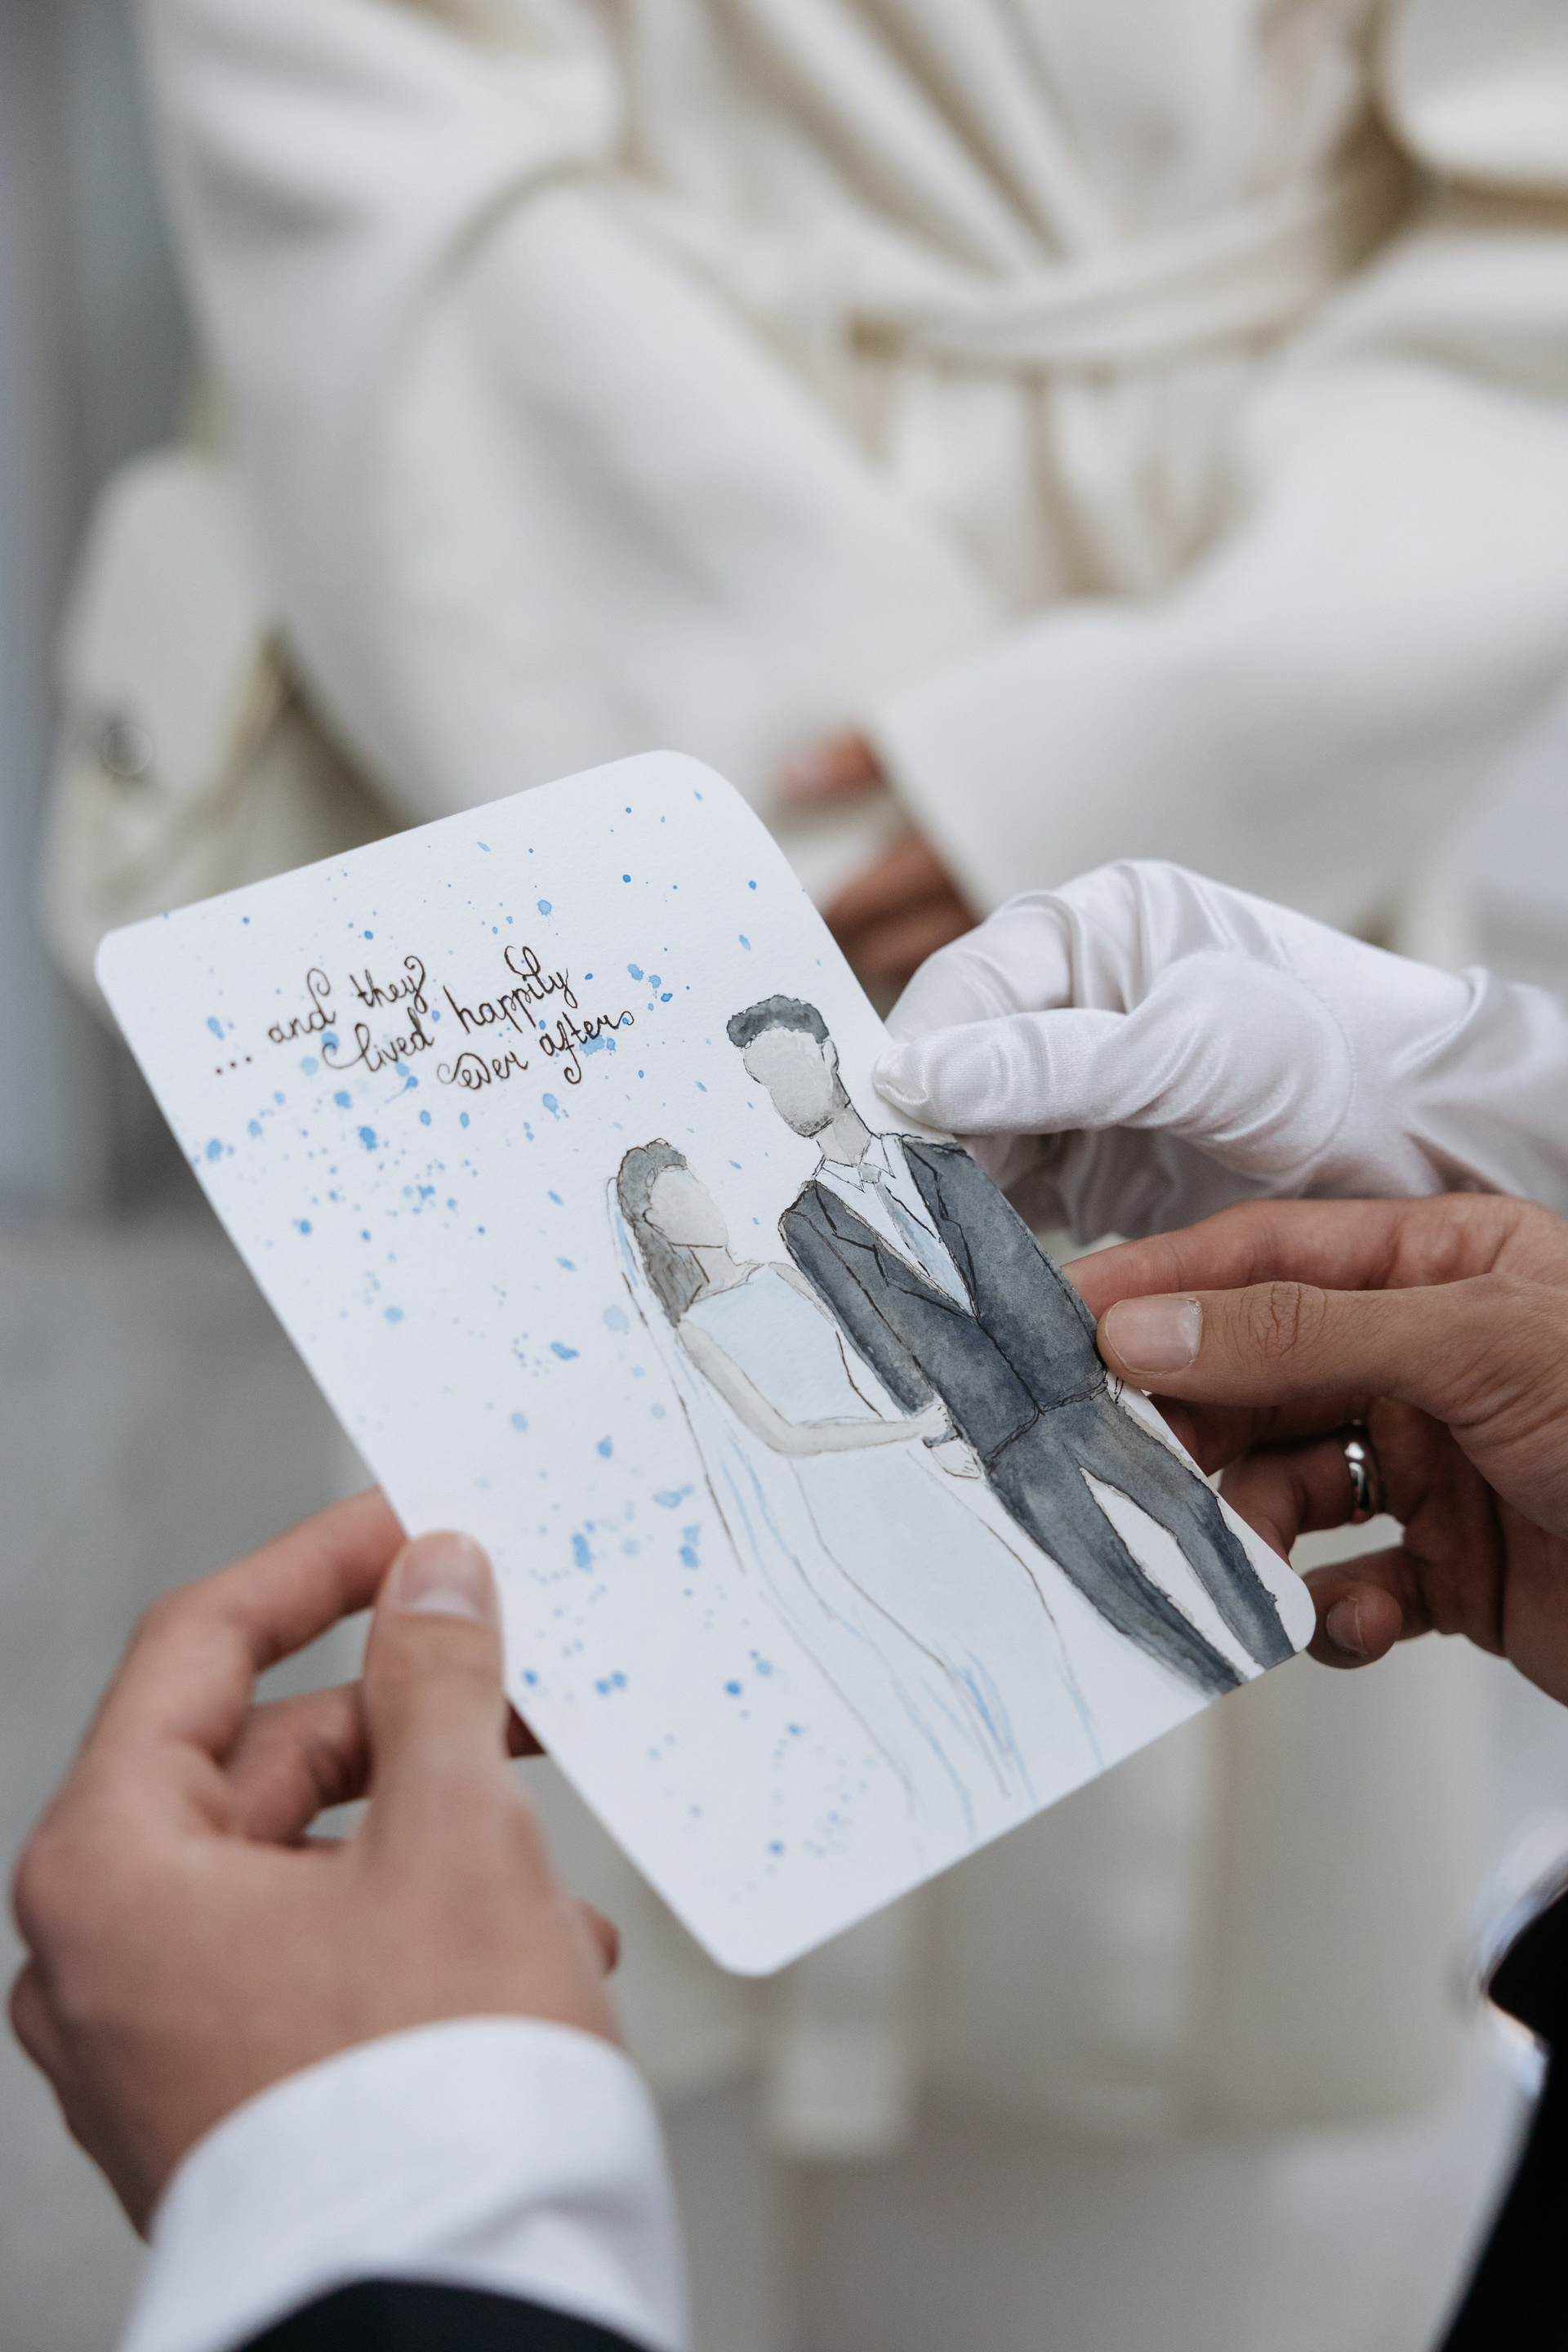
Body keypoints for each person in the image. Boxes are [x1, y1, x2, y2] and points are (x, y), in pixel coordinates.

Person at [17, 1190, 1568, 2350]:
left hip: (1043, 1389)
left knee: (1086, 2189)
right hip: (828, 1492)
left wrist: (356, 2195)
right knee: (658, 2068)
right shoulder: (720, 1282)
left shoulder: (810, 1230)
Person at [53, 1, 1568, 996]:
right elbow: (354, 118)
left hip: (1227, 620)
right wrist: (761, 797)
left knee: (1253, 1334)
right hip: (569, 656)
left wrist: (1172, 740)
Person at [729, 991, 1294, 1694]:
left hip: (1073, 1383)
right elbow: (868, 1327)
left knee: (1194, 1512)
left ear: (826, 1051)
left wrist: (1089, 1350)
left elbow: (1021, 1257)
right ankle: (1209, 1681)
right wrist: (937, 1427)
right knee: (1102, 1576)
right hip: (988, 1425)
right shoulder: (807, 1223)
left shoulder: (943, 1159)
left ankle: (1270, 1644)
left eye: (788, 1065)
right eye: (767, 1081)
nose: (785, 1092)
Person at [613, 1138, 1100, 1840]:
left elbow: (871, 1361)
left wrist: (933, 1437)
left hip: (903, 1476)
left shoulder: (780, 1276)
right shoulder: (696, 1329)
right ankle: (1033, 1788)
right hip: (851, 1506)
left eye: (693, 1184)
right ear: (658, 1225)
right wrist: (904, 1432)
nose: (700, 1203)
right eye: (675, 1199)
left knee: (1017, 1602)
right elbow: (786, 1436)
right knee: (965, 1643)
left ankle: (1069, 1754)